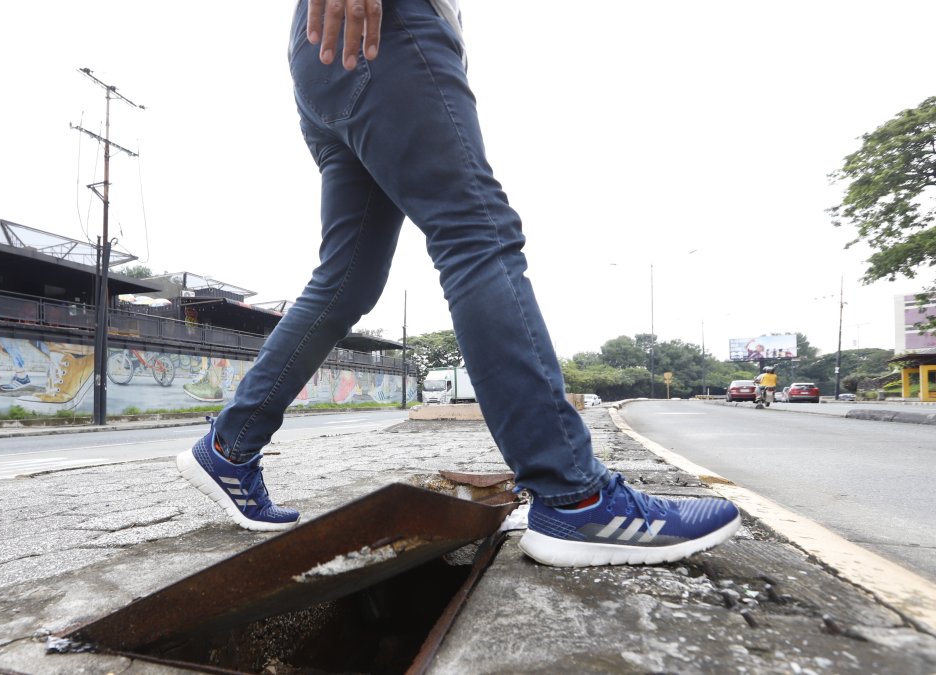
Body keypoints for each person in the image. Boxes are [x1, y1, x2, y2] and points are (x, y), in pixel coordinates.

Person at [177, 0, 740, 567]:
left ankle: (230, 445)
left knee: (346, 281)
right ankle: (575, 497)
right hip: (384, 31)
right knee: (476, 233)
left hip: (323, 58)